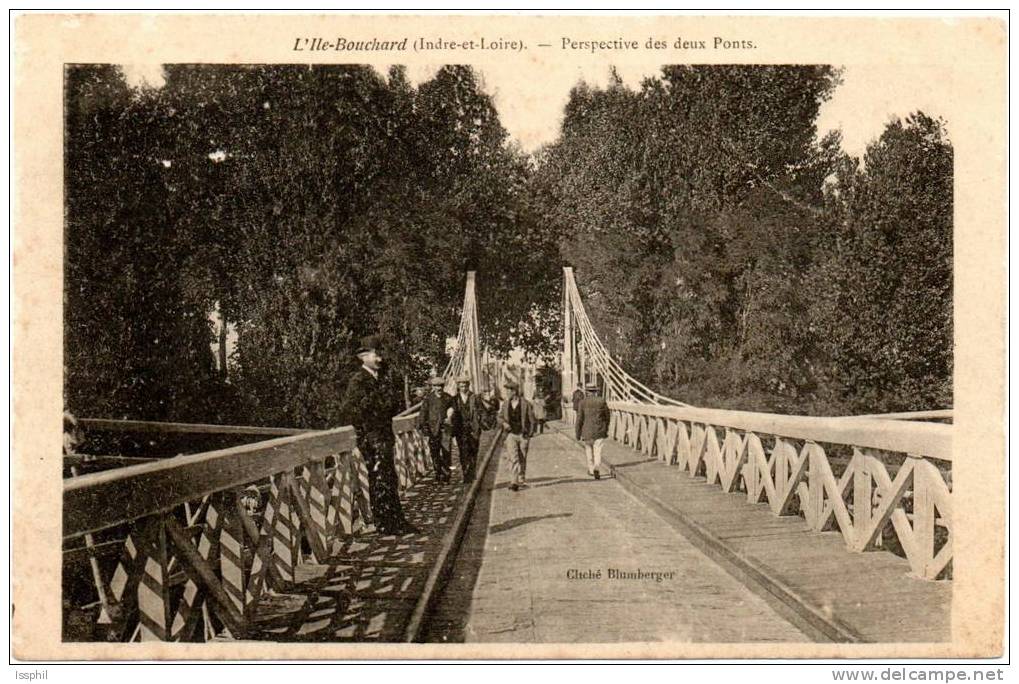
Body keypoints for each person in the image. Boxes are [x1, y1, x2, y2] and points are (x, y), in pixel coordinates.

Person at [343, 335, 416, 536]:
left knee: (389, 478)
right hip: (371, 439)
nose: (380, 359)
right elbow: (355, 411)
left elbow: (392, 406)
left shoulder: (379, 379)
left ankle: (396, 521)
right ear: (363, 357)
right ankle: (386, 524)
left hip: (383, 437)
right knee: (380, 479)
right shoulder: (358, 381)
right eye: (376, 355)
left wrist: (383, 404)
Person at [498, 379, 535, 492]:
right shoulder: (505, 404)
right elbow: (499, 417)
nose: (507, 393)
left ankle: (521, 478)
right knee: (513, 458)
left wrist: (529, 434)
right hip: (511, 435)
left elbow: (532, 420)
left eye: (509, 391)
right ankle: (514, 481)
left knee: (522, 457)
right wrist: (504, 423)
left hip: (522, 435)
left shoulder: (525, 404)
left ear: (514, 391)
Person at [418, 376, 452, 483]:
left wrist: (451, 415)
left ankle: (446, 476)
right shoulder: (428, 399)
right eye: (437, 386)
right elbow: (423, 414)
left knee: (446, 453)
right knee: (435, 453)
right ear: (433, 387)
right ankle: (438, 474)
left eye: (441, 386)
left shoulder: (448, 398)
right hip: (433, 430)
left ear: (443, 386)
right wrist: (424, 429)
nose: (439, 388)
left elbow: (454, 410)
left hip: (445, 430)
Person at [450, 374, 484, 484]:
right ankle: (466, 475)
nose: (464, 388)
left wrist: (480, 423)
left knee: (473, 452)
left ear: (468, 386)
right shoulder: (454, 399)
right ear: (458, 387)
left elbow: (482, 411)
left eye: (465, 386)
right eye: (461, 386)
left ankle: (472, 474)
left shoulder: (475, 397)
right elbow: (451, 414)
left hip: (473, 429)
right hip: (460, 430)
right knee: (463, 453)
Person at [575, 383, 610, 479]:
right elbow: (607, 416)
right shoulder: (601, 401)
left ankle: (591, 469)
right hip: (599, 430)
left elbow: (579, 419)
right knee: (598, 450)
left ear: (586, 392)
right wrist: (606, 428)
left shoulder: (582, 402)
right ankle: (597, 467)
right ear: (596, 391)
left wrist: (577, 433)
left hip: (587, 431)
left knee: (588, 450)